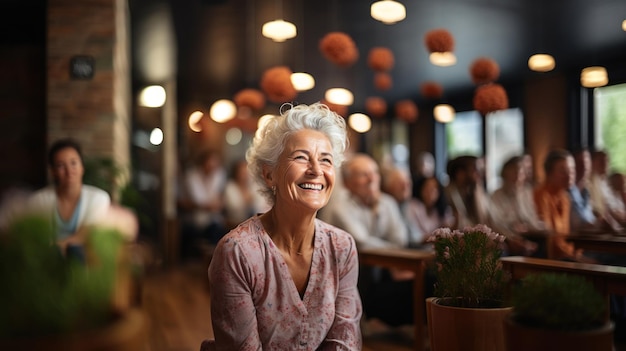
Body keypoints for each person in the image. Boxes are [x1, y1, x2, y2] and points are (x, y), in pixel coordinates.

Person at [208, 103, 362, 350]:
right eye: (301, 157)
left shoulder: (342, 247)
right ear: (270, 175)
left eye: (326, 160)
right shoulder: (238, 252)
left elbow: (344, 341)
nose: (316, 170)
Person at [321, 153, 413, 328]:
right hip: (347, 282)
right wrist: (390, 247)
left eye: (374, 173)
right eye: (364, 174)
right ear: (348, 183)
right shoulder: (339, 206)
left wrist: (377, 209)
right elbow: (360, 243)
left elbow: (401, 239)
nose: (372, 179)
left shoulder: (387, 202)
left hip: (379, 276)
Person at [28, 138, 111, 261]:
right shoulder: (39, 200)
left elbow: (85, 235)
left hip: (84, 260)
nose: (69, 171)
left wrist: (56, 247)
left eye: (73, 163)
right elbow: (37, 238)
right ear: (53, 171)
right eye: (61, 165)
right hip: (46, 261)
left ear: (82, 167)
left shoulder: (99, 198)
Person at [533, 149, 595, 263]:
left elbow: (565, 236)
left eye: (571, 170)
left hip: (567, 253)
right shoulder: (541, 195)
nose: (569, 175)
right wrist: (574, 257)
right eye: (563, 171)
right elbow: (550, 237)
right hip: (549, 258)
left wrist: (576, 254)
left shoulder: (565, 198)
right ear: (549, 174)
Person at [489, 155, 543, 256]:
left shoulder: (526, 193)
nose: (518, 175)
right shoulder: (496, 195)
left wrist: (527, 226)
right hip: (508, 237)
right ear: (505, 173)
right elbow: (496, 223)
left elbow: (532, 218)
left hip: (528, 234)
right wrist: (514, 231)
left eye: (521, 171)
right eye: (514, 171)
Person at [178, 149, 227, 257]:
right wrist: (205, 206)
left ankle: (215, 259)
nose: (213, 165)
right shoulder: (191, 177)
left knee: (218, 229)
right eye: (210, 161)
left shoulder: (219, 176)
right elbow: (185, 201)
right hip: (193, 219)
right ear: (203, 162)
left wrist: (218, 204)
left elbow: (220, 198)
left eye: (215, 162)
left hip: (214, 219)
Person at [381, 167, 424, 247]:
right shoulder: (384, 205)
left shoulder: (408, 205)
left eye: (408, 183)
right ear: (388, 186)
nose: (405, 186)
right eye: (400, 183)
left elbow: (414, 237)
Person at [222, 159, 269, 230]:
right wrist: (247, 200)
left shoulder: (252, 185)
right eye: (242, 172)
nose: (245, 175)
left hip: (253, 220)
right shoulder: (230, 187)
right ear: (236, 173)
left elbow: (259, 202)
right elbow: (233, 206)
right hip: (236, 221)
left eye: (246, 172)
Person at [409, 175, 454, 244]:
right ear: (421, 189)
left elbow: (450, 228)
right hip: (417, 249)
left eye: (434, 189)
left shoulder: (442, 209)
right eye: (427, 188)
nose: (430, 193)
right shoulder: (414, 206)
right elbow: (414, 237)